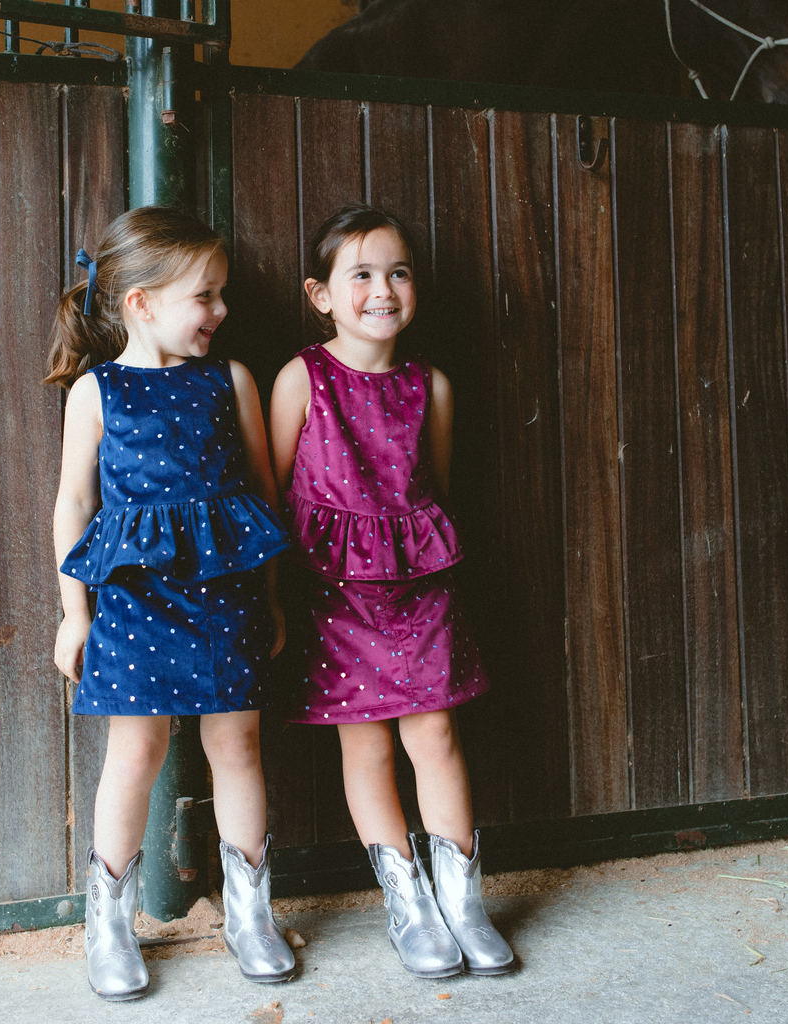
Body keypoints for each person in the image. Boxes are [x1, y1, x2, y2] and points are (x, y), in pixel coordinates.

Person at [47, 207, 295, 1001]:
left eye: (221, 294)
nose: (221, 312)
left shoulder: (232, 380)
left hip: (225, 599)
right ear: (141, 303)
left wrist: (274, 596)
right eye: (206, 296)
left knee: (240, 750)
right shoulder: (97, 391)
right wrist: (73, 613)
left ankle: (251, 913)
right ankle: (109, 924)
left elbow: (261, 493)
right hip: (134, 601)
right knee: (136, 757)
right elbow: (72, 505)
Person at [269, 203, 515, 980]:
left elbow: (430, 486)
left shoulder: (429, 384)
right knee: (367, 745)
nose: (383, 290)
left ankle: (463, 901)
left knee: (435, 737)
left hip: (419, 591)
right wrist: (273, 598)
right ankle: (407, 903)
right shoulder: (301, 377)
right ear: (321, 294)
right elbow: (271, 494)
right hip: (334, 592)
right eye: (362, 275)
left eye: (398, 272)